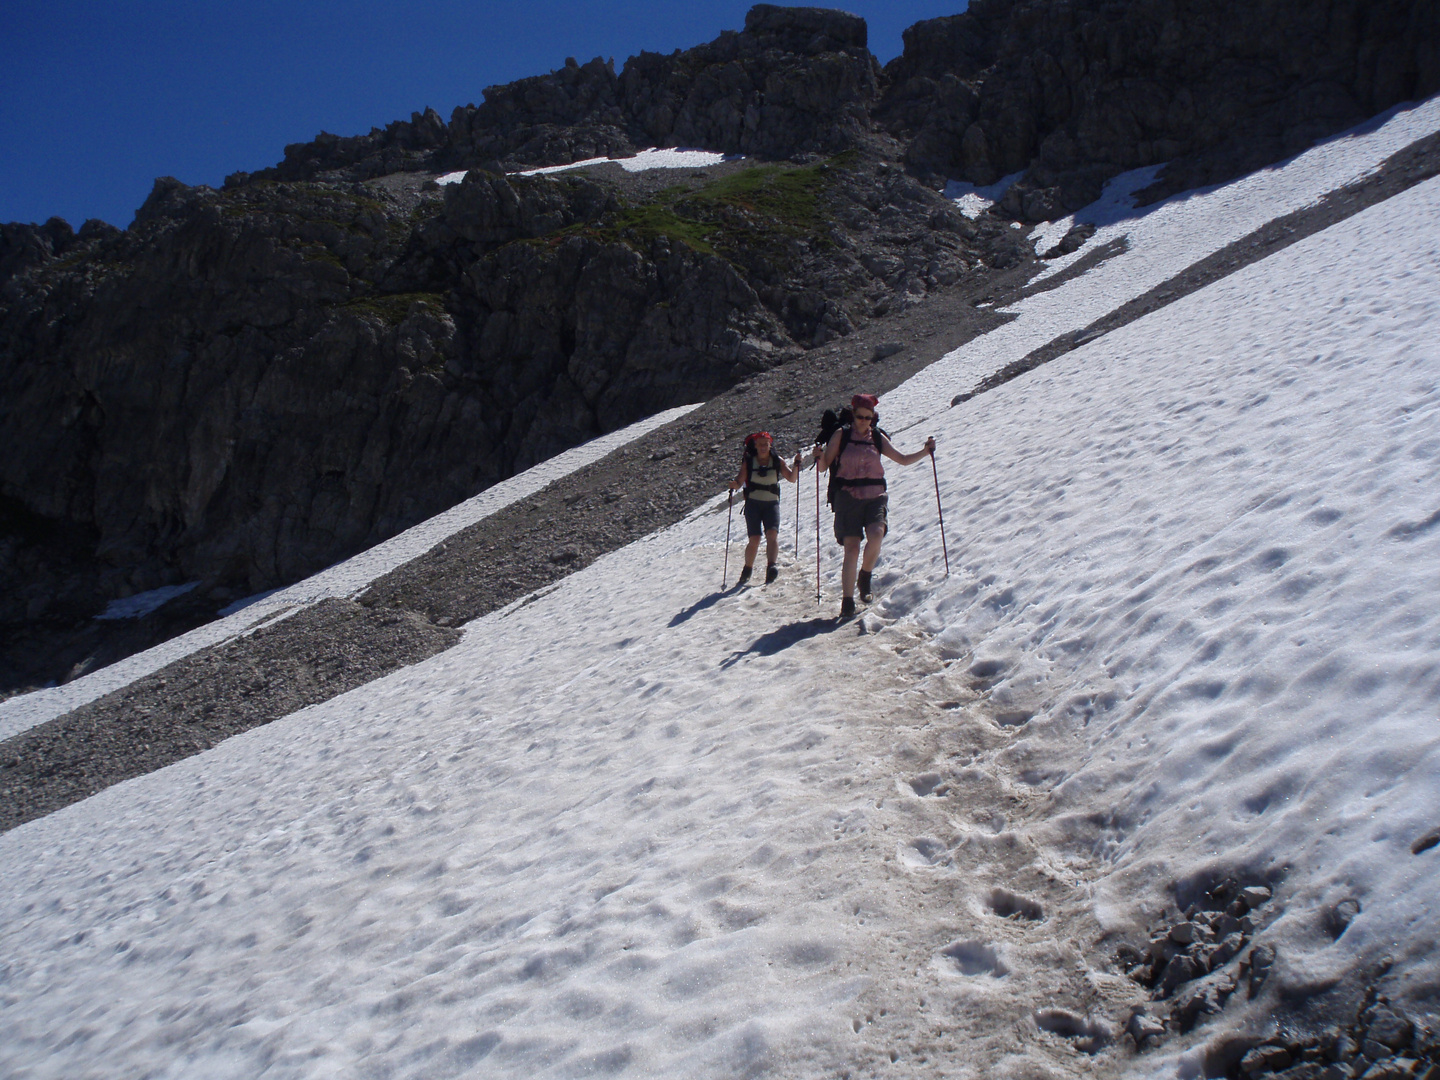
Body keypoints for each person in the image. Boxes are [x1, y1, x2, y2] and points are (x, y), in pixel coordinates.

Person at [814, 394, 935, 618]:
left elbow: (902, 459)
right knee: (852, 547)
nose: (863, 421)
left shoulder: (877, 437)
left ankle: (865, 576)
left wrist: (925, 452)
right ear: (853, 415)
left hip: (875, 494)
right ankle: (848, 600)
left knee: (876, 534)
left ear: (873, 418)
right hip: (847, 496)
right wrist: (819, 457)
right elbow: (824, 467)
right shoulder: (841, 435)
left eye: (868, 418)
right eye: (860, 417)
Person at [729, 431, 801, 585]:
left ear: (770, 444)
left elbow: (792, 478)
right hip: (753, 504)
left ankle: (771, 567)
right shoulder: (749, 461)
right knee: (755, 539)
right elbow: (740, 481)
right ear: (755, 446)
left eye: (765, 444)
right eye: (760, 444)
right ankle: (748, 568)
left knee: (772, 534)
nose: (763, 447)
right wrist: (733, 485)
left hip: (771, 504)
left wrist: (796, 465)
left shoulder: (777, 461)